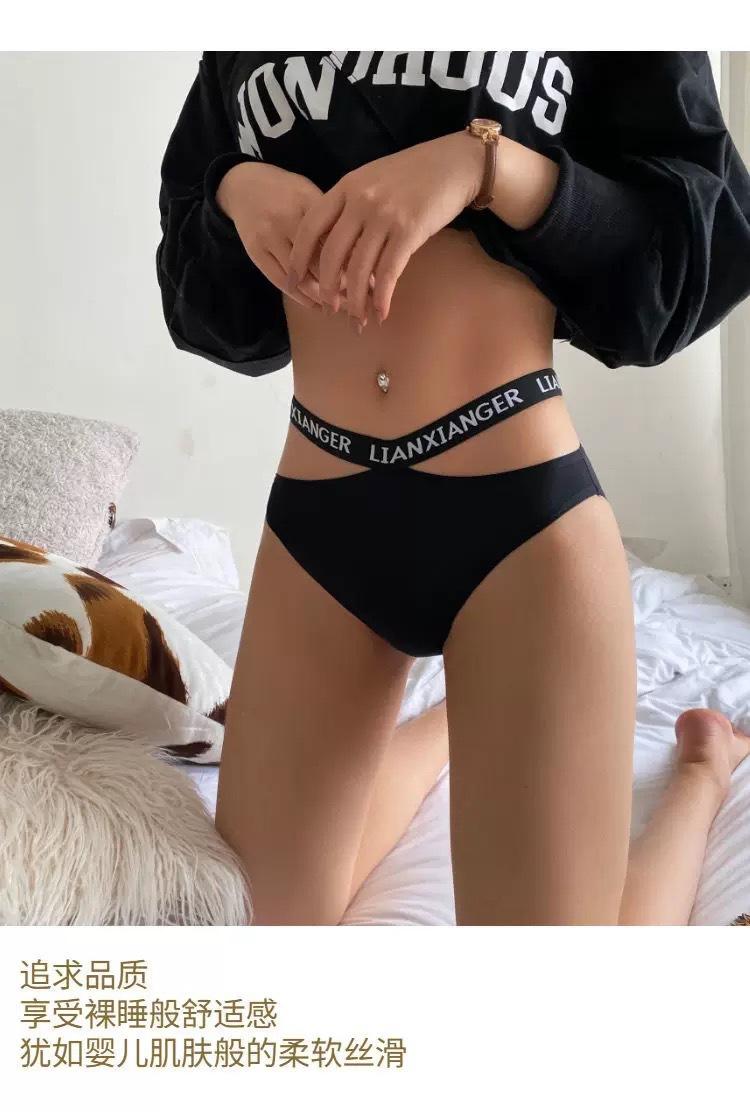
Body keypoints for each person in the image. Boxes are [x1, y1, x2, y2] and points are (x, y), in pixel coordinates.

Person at [156, 52, 750, 925]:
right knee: (260, 936)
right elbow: (201, 299)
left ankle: (701, 776)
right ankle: (448, 730)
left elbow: (704, 245)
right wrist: (232, 190)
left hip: (520, 521)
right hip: (318, 521)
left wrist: (487, 165)